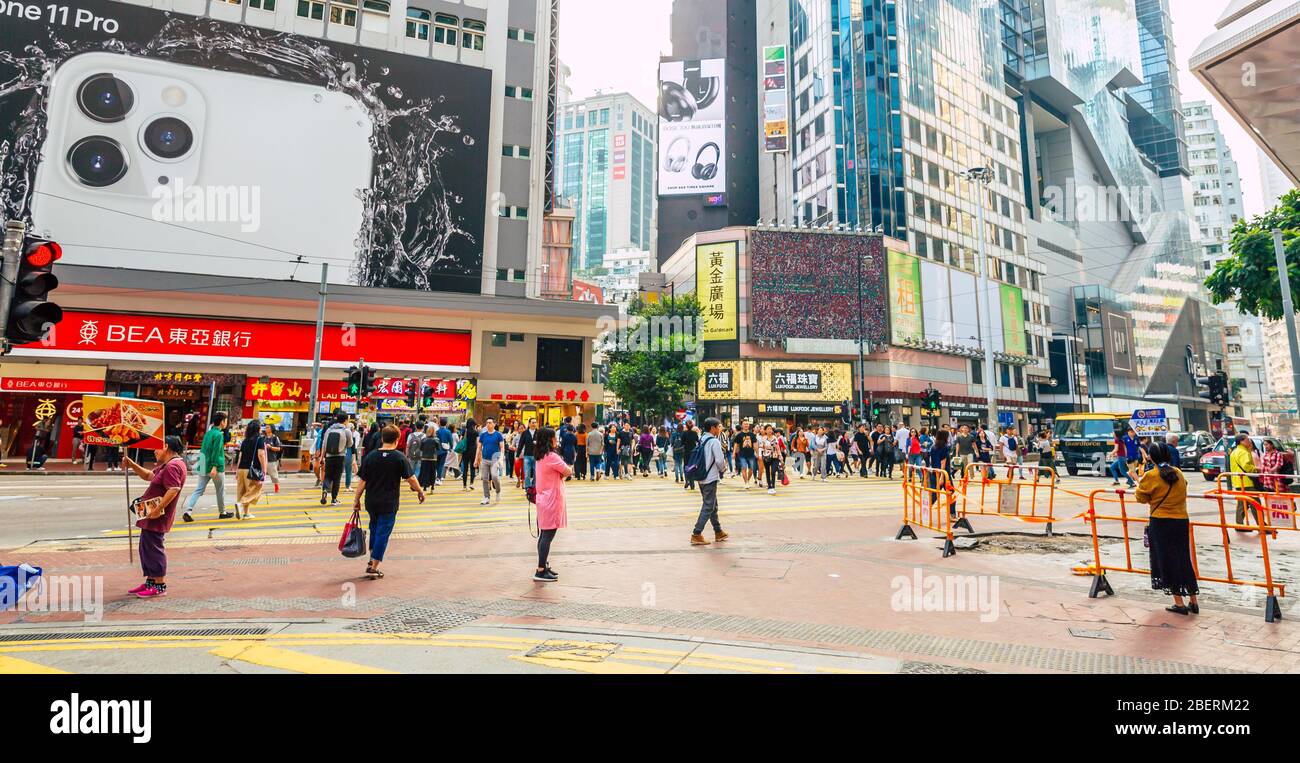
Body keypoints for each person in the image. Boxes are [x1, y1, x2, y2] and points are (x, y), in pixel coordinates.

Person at [353, 425, 426, 579]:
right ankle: (374, 565)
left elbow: (362, 482)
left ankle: (372, 559)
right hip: (389, 502)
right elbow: (411, 478)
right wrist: (420, 491)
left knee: (374, 529)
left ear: (382, 438)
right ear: (397, 439)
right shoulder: (399, 457)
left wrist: (356, 500)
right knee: (383, 533)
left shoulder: (371, 456)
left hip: (371, 501)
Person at [1136, 442, 1199, 615]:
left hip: (1161, 522)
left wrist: (1140, 485)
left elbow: (1140, 497)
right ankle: (1193, 600)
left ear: (1151, 457)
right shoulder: (1178, 472)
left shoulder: (1150, 475)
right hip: (1181, 521)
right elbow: (1183, 491)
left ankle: (1179, 603)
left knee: (1167, 561)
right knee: (1183, 559)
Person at [124, 435, 188, 599]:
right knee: (146, 548)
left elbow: (173, 489)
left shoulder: (173, 466)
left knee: (154, 548)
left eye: (157, 447)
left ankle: (159, 585)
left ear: (166, 446)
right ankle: (150, 581)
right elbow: (148, 476)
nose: (154, 451)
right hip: (150, 513)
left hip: (157, 515)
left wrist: (158, 509)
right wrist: (131, 464)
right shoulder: (167, 465)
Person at [532, 426, 572, 582]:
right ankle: (541, 570)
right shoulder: (552, 457)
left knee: (544, 535)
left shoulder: (540, 455)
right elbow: (567, 471)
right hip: (552, 500)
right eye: (555, 437)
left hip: (544, 499)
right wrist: (569, 468)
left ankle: (543, 566)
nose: (557, 439)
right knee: (547, 536)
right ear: (549, 440)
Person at [183, 412, 231, 522]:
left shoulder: (208, 433)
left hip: (204, 465)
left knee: (199, 489)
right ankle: (222, 512)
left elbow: (203, 450)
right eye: (226, 421)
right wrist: (215, 466)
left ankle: (188, 510)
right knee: (220, 490)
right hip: (215, 467)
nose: (226, 423)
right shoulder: (219, 435)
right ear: (222, 422)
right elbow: (217, 452)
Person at [690, 417, 729, 546]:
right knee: (708, 506)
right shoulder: (714, 441)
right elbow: (719, 460)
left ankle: (718, 531)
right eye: (718, 426)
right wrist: (724, 468)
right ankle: (696, 533)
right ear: (712, 428)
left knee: (713, 505)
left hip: (701, 476)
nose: (720, 429)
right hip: (710, 477)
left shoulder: (702, 439)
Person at [234, 420, 267, 520]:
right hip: (251, 470)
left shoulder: (245, 440)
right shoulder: (259, 440)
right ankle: (240, 504)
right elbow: (261, 455)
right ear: (258, 428)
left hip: (241, 469)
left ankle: (246, 513)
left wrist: (237, 470)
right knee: (256, 489)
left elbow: (240, 456)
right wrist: (264, 470)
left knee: (243, 491)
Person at [1229, 434, 1261, 531]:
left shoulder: (1235, 452)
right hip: (1247, 482)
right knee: (1256, 504)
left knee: (1242, 504)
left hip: (1238, 482)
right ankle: (1262, 526)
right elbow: (1247, 466)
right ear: (1242, 441)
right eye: (1247, 440)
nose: (1249, 441)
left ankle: (1239, 525)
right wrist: (1257, 470)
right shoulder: (1243, 452)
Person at [319, 412, 350, 506]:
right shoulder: (346, 431)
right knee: (337, 478)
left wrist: (322, 457)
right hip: (340, 456)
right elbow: (350, 444)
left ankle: (325, 489)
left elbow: (324, 444)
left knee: (328, 476)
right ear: (345, 420)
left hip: (329, 456)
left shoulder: (329, 430)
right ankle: (334, 499)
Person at [475, 418, 506, 505]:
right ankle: (486, 497)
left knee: (495, 477)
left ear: (494, 424)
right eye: (487, 423)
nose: (488, 424)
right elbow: (479, 448)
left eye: (490, 423)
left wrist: (501, 458)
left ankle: (498, 491)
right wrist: (476, 459)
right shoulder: (483, 435)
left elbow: (502, 448)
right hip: (484, 460)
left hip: (495, 460)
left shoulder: (498, 435)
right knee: (484, 479)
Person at [757, 424, 781, 495]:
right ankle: (770, 486)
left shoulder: (775, 438)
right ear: (765, 431)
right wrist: (760, 455)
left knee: (773, 471)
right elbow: (761, 447)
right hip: (766, 456)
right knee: (767, 471)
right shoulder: (763, 438)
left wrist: (780, 456)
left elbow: (778, 447)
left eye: (770, 429)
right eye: (768, 429)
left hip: (775, 456)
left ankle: (773, 486)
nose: (770, 430)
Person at [732, 421, 757, 488]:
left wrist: (757, 453)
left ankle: (747, 481)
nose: (746, 425)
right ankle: (746, 482)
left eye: (747, 424)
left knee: (751, 469)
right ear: (742, 426)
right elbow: (736, 444)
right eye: (744, 424)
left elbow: (755, 444)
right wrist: (734, 453)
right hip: (742, 455)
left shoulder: (752, 434)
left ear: (749, 425)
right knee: (744, 468)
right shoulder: (739, 435)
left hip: (751, 454)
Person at [418, 423, 440, 490]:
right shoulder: (436, 440)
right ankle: (432, 486)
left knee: (425, 472)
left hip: (424, 458)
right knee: (432, 472)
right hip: (433, 458)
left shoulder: (423, 440)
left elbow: (421, 448)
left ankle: (425, 486)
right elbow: (438, 449)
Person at [263, 425, 282, 494]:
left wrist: (270, 447)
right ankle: (260, 488)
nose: (266, 429)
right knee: (261, 474)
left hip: (271, 459)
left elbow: (278, 448)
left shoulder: (275, 438)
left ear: (272, 429)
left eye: (268, 427)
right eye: (266, 427)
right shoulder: (263, 438)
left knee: (273, 475)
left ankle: (276, 486)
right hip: (263, 459)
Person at [461, 418, 479, 491]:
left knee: (465, 468)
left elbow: (461, 440)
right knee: (472, 468)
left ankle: (464, 486)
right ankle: (471, 484)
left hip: (465, 451)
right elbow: (478, 443)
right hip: (473, 451)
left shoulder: (464, 431)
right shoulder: (476, 432)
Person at [680, 420, 699, 489]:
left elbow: (681, 443)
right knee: (692, 467)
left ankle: (687, 480)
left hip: (686, 452)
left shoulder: (684, 433)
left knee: (686, 466)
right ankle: (692, 483)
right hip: (693, 453)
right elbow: (698, 441)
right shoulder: (694, 433)